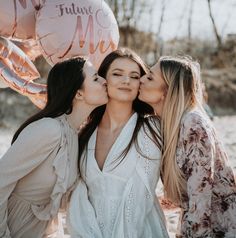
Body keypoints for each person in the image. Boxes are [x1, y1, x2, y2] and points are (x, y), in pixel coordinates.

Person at [0, 57, 108, 238]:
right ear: (78, 94)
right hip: (13, 228)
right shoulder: (49, 129)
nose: (104, 81)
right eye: (96, 78)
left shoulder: (74, 135)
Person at [67, 48, 169, 238]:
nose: (126, 81)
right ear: (104, 79)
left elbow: (139, 199)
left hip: (139, 232)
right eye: (117, 74)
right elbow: (79, 198)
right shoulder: (86, 133)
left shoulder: (150, 129)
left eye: (134, 76)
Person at [139, 55, 236, 237]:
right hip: (195, 221)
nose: (141, 79)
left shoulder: (193, 123)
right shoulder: (167, 125)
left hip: (220, 227)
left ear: (166, 92)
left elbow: (201, 200)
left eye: (150, 77)